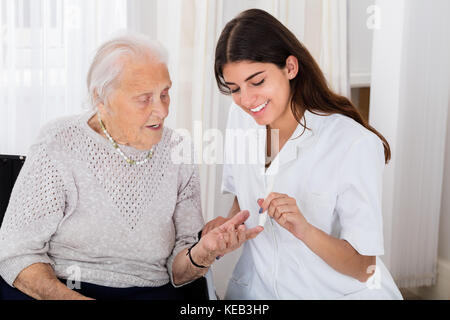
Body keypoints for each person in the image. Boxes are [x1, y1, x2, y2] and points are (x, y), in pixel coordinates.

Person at [0, 32, 262, 300]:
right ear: (101, 99)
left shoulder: (178, 150)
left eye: (165, 93)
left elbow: (180, 271)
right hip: (64, 287)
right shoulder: (59, 141)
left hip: (150, 291)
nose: (161, 110)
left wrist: (204, 251)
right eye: (144, 98)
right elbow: (16, 253)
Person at [203, 9, 403, 299]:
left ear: (290, 68)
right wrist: (228, 226)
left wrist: (305, 230)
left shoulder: (353, 143)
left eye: (257, 81)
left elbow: (364, 268)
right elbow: (244, 193)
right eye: (235, 88)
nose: (246, 100)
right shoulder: (240, 117)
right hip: (257, 291)